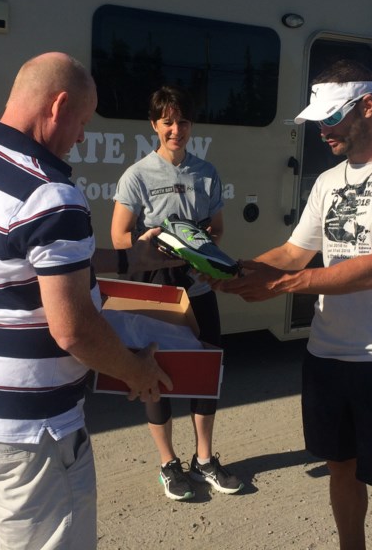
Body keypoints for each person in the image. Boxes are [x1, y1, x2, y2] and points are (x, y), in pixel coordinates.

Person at [0, 52, 181, 550]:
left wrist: (130, 260)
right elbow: (74, 330)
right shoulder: (51, 194)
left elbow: (22, 258)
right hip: (29, 433)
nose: (82, 137)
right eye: (82, 122)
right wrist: (137, 372)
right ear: (58, 105)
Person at [216, 59, 372, 549]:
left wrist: (280, 285)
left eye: (333, 117)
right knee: (342, 469)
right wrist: (231, 270)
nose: (323, 129)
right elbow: (292, 253)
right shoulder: (328, 181)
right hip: (326, 355)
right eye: (318, 118)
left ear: (368, 105)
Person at [110, 85, 243, 501]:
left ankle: (203, 460)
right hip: (156, 292)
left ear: (191, 125)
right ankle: (169, 464)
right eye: (167, 121)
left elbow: (218, 229)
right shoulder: (137, 175)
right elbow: (117, 236)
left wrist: (199, 239)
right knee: (156, 374)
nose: (175, 129)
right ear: (154, 125)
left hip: (199, 287)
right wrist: (147, 238)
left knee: (206, 374)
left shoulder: (206, 172)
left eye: (182, 121)